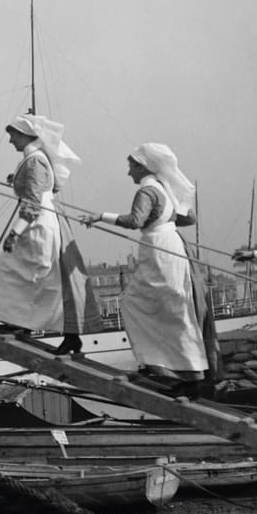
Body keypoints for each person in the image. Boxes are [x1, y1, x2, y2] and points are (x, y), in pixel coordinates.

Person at [89, 143, 209, 394]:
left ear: (142, 166)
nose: (128, 172)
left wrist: (102, 216)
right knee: (173, 309)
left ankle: (162, 367)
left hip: (159, 251)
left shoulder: (146, 191)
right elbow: (189, 218)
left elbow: (136, 221)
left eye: (131, 166)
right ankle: (182, 370)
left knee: (136, 305)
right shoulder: (164, 187)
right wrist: (167, 221)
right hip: (171, 246)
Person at [0, 114, 100, 354]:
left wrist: (15, 233)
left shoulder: (34, 161)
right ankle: (23, 323)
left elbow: (34, 199)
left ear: (27, 135)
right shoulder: (36, 159)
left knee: (41, 277)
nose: (10, 141)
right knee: (27, 275)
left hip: (37, 225)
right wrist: (16, 180)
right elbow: (48, 186)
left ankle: (68, 336)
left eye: (13, 135)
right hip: (39, 222)